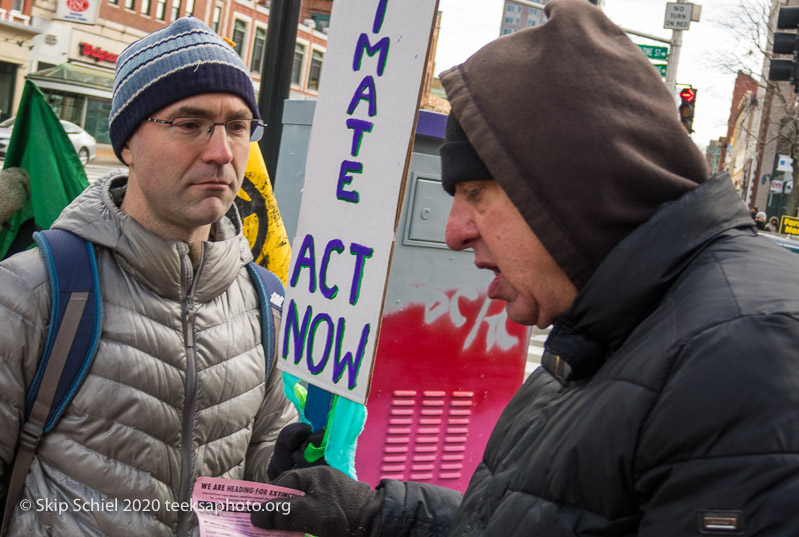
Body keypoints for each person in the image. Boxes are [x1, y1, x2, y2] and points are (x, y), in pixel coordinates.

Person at [250, 0, 799, 535]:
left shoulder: (746, 355)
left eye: (475, 192)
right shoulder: (606, 335)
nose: (453, 231)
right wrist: (372, 515)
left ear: (569, 189)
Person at [0, 17, 296, 537]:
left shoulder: (262, 300)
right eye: (189, 123)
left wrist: (299, 478)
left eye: (237, 125)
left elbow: (262, 465)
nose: (222, 152)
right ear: (128, 143)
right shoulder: (34, 291)